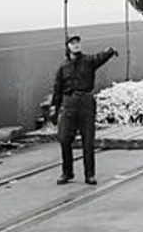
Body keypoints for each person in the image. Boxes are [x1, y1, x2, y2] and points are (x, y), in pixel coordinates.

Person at [50, 34, 118, 185]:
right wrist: (54, 109)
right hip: (69, 104)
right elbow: (57, 89)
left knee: (88, 141)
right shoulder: (63, 68)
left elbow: (100, 57)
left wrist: (110, 51)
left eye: (78, 42)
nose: (76, 45)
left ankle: (90, 174)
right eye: (72, 43)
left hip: (86, 103)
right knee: (64, 139)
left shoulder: (88, 61)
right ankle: (67, 172)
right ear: (67, 47)